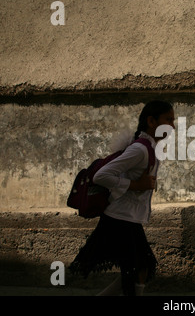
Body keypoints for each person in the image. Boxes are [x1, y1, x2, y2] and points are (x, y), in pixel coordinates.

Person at [70, 100, 175, 296]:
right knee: (138, 269)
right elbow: (100, 175)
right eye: (168, 120)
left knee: (139, 268)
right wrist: (136, 185)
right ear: (151, 121)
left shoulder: (149, 148)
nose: (172, 126)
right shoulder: (140, 149)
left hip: (128, 218)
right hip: (120, 219)